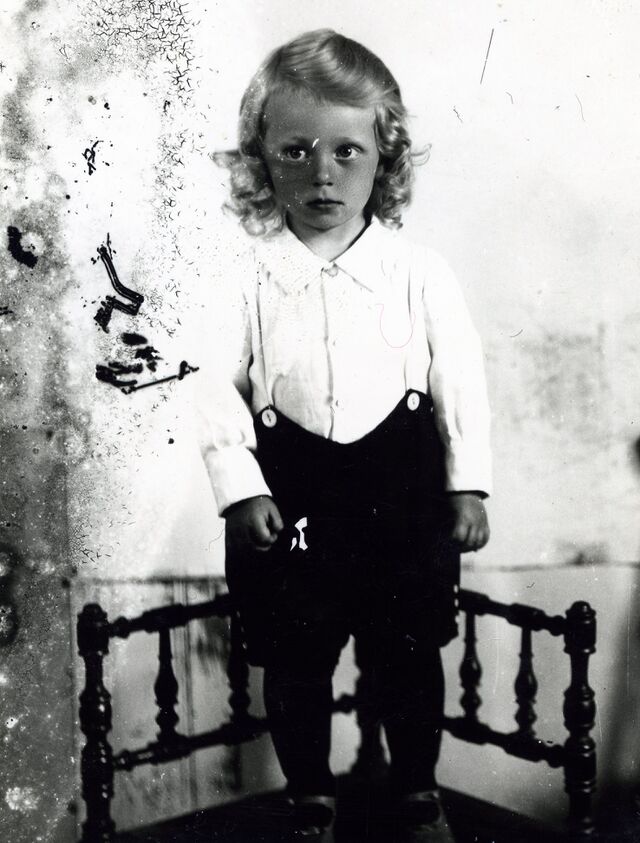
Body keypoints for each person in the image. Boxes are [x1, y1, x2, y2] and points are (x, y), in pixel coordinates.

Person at [195, 28, 491, 842]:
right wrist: (240, 489)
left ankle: (418, 788)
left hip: (401, 497)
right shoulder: (245, 278)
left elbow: (460, 380)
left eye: (346, 151)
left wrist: (468, 484)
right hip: (291, 499)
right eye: (295, 151)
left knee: (406, 652)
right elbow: (212, 388)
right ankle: (310, 797)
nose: (322, 173)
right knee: (296, 658)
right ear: (261, 161)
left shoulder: (420, 273)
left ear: (383, 157)